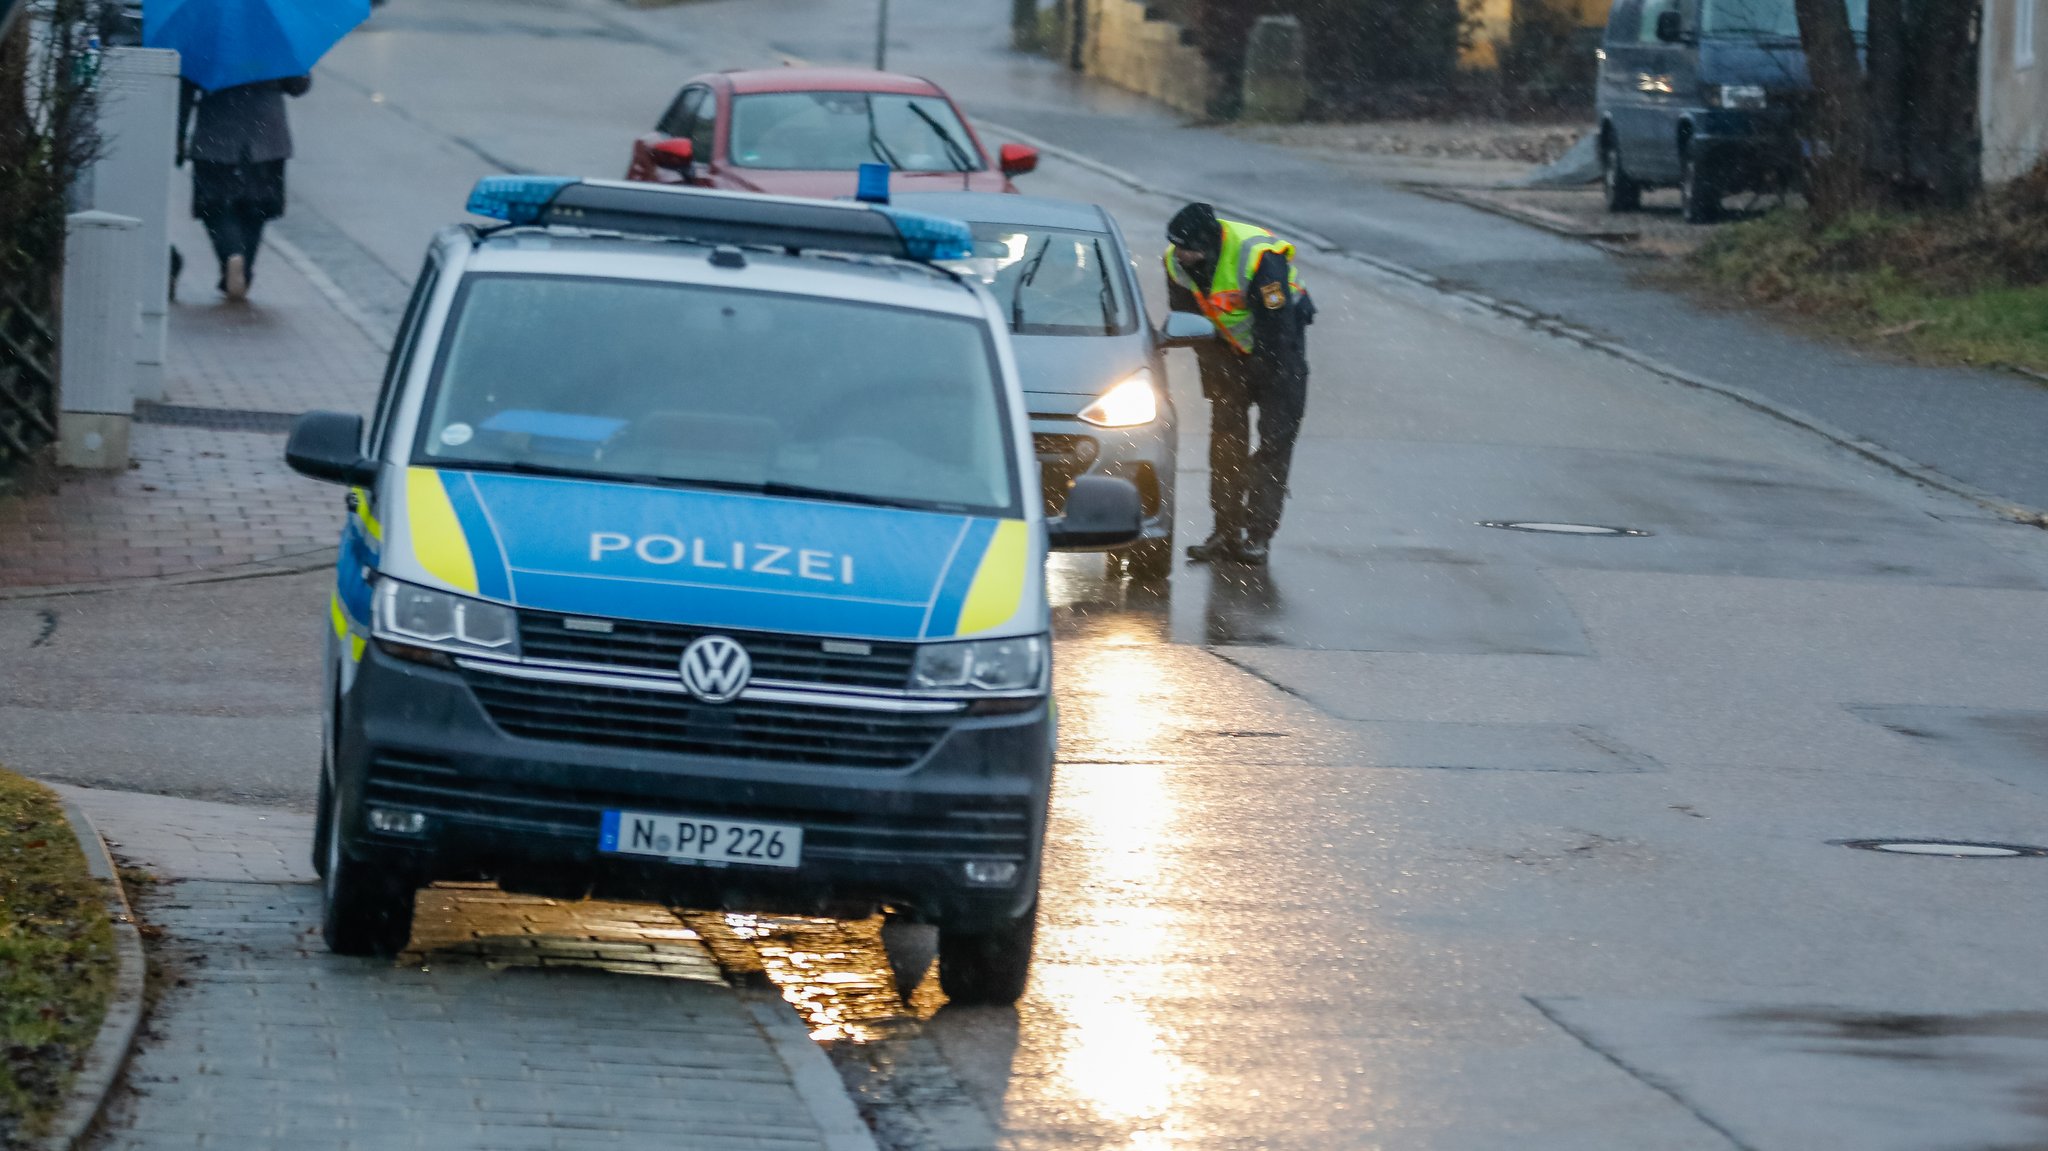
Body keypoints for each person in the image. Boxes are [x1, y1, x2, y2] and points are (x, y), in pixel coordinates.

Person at [1163, 202, 1314, 566]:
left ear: (1209, 243)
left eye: (1187, 248)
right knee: (1225, 444)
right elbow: (1190, 323)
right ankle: (1224, 531)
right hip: (1227, 355)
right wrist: (1218, 373)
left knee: (1274, 445)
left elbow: (1277, 325)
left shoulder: (1259, 259)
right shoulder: (1176, 263)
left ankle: (1258, 535)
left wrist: (1264, 367)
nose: (1180, 255)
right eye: (1177, 247)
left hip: (1281, 352)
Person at [177, 74, 311, 302]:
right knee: (256, 209)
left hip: (217, 133)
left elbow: (186, 88)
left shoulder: (207, 41)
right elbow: (299, 85)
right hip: (267, 136)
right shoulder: (275, 41)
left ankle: (232, 254)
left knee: (214, 206)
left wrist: (178, 134)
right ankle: (244, 269)